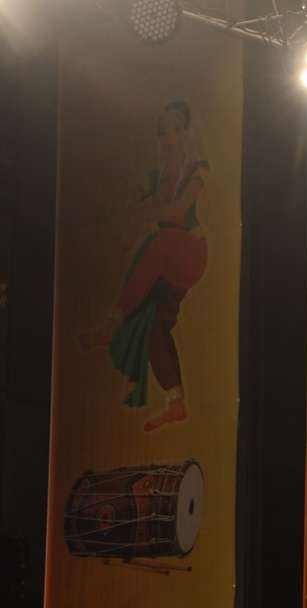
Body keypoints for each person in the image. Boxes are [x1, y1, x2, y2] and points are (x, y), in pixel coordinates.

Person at [82, 100, 208, 431]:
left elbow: (176, 212)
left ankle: (113, 322)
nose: (169, 137)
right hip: (163, 260)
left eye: (176, 128)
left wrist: (146, 213)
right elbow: (126, 209)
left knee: (156, 242)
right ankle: (175, 400)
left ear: (187, 132)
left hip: (187, 251)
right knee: (153, 323)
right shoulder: (155, 177)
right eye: (163, 131)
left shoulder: (197, 169)